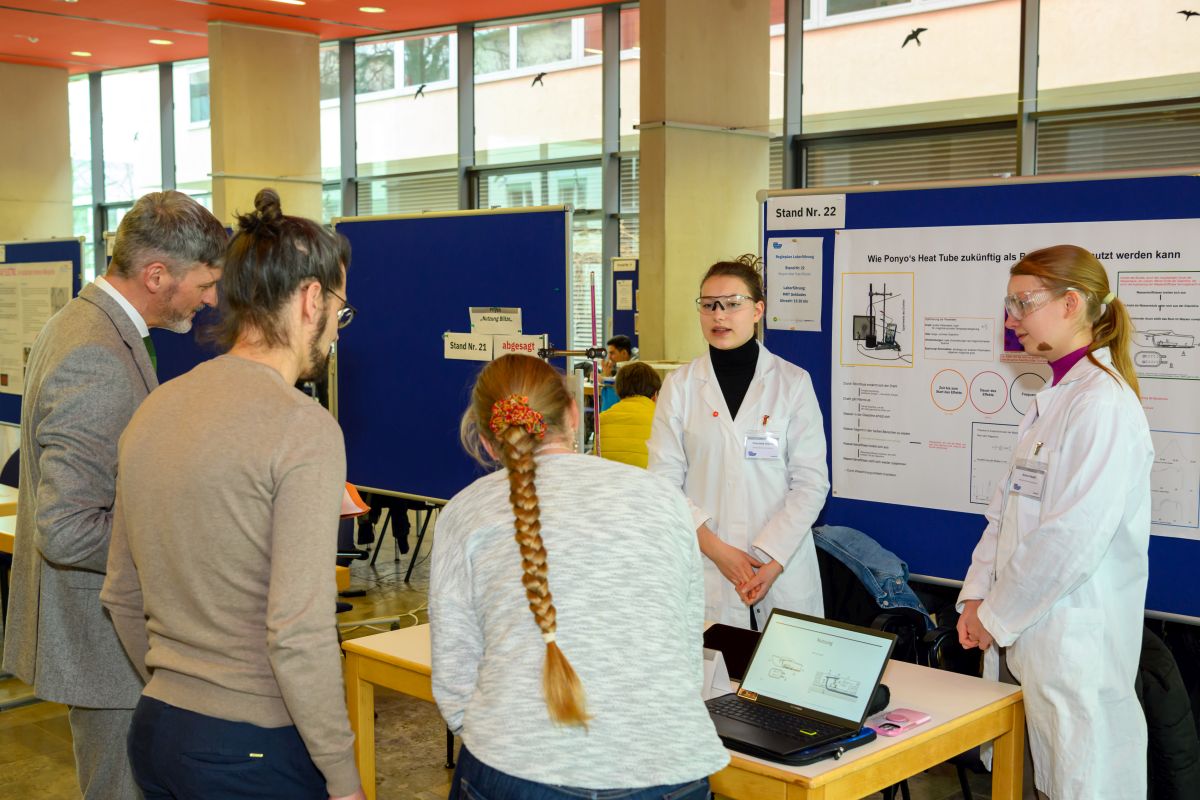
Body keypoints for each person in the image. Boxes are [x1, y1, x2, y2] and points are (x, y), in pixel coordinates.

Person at [100, 189, 365, 800]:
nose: (335, 332)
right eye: (340, 311)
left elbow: (119, 591)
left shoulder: (156, 408)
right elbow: (297, 632)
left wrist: (184, 695)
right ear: (310, 300)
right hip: (252, 749)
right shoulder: (303, 428)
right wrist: (345, 778)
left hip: (158, 732)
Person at [3, 190, 225, 800]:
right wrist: (181, 541)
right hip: (104, 645)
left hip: (103, 634)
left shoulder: (82, 324)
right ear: (157, 275)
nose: (210, 299)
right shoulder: (96, 355)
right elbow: (69, 528)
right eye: (205, 283)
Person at [430, 354, 728, 800]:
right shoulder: (665, 501)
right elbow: (684, 649)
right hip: (664, 765)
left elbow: (455, 678)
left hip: (515, 767)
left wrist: (511, 737)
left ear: (488, 443)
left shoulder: (465, 513)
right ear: (573, 413)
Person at [956, 244, 1153, 800]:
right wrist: (975, 598)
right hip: (1028, 638)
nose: (1011, 318)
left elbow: (1071, 539)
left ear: (1071, 304)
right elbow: (1006, 512)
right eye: (1009, 304)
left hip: (1073, 649)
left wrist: (995, 614)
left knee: (1076, 781)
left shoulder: (1103, 406)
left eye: (1023, 303)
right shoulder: (1055, 399)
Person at [647, 254, 829, 630]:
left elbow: (811, 483)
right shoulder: (679, 387)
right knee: (710, 683)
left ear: (758, 310)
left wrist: (773, 560)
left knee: (784, 680)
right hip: (707, 566)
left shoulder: (792, 383)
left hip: (782, 568)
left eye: (732, 304)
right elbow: (662, 483)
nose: (719, 316)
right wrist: (719, 552)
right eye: (709, 305)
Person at [598, 361, 662, 468]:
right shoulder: (661, 421)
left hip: (609, 482)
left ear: (619, 392)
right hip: (647, 482)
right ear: (655, 395)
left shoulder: (601, 419)